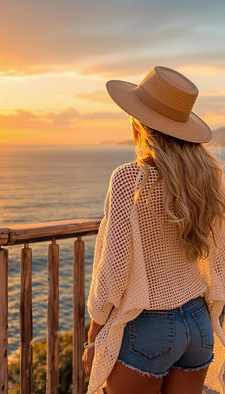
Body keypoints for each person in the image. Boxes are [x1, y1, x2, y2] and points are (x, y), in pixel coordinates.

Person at [82, 66, 225, 394]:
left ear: (139, 122)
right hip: (199, 324)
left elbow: (113, 273)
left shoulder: (130, 180)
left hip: (147, 329)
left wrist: (95, 337)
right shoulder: (209, 180)